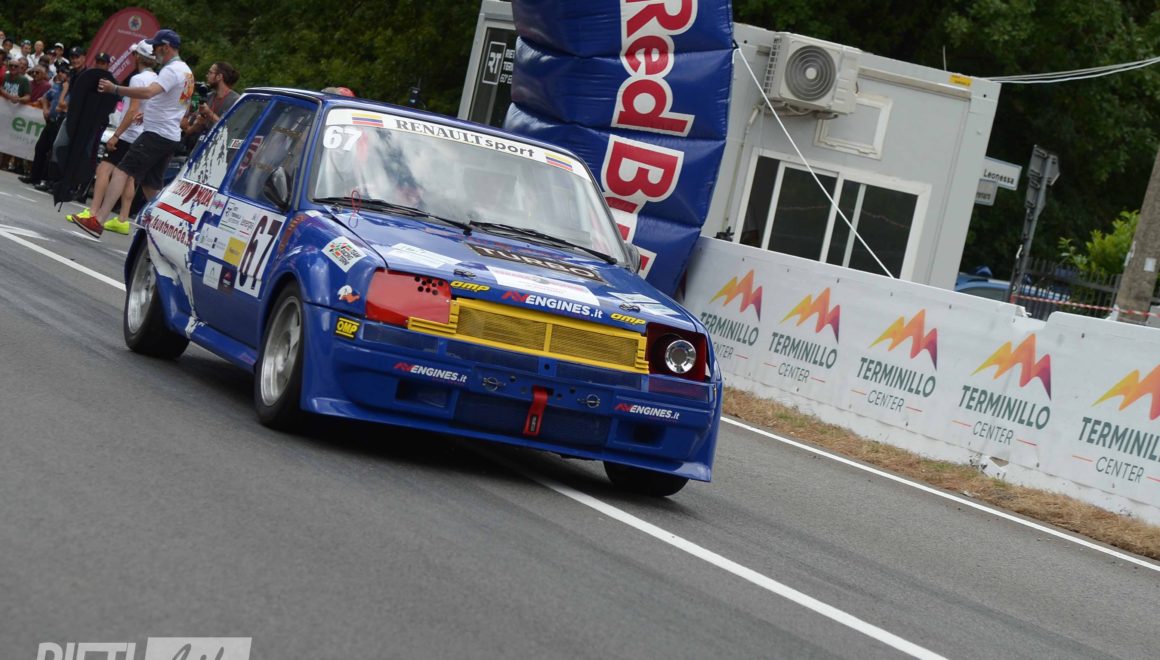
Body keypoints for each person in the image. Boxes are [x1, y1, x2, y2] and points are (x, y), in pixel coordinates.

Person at [75, 29, 192, 238]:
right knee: (150, 185)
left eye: (156, 47)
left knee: (122, 170)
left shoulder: (171, 70)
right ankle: (165, 229)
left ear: (165, 47)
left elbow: (148, 92)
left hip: (156, 133)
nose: (154, 52)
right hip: (169, 134)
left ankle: (98, 220)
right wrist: (149, 115)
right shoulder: (187, 72)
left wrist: (115, 89)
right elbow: (181, 104)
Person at [67, 41, 157, 234]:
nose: (132, 58)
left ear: (138, 57)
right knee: (128, 177)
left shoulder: (138, 79)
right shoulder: (157, 79)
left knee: (103, 170)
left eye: (134, 55)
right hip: (142, 134)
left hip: (129, 134)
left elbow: (132, 110)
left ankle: (93, 212)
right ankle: (122, 219)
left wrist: (116, 135)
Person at [49, 51, 116, 206]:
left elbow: (110, 106)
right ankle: (58, 179)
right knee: (59, 145)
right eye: (98, 62)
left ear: (108, 65)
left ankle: (80, 188)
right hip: (75, 119)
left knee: (88, 154)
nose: (100, 65)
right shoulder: (84, 76)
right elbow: (74, 97)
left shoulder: (112, 83)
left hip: (94, 124)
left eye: (103, 63)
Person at [19, 65, 67, 187]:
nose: (60, 73)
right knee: (40, 148)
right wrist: (45, 109)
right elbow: (44, 98)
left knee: (53, 153)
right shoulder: (56, 86)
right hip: (51, 121)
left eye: (63, 72)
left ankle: (47, 180)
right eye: (59, 71)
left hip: (61, 124)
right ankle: (34, 177)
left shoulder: (72, 90)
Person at [180, 61, 239, 151]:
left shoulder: (235, 101)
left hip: (217, 151)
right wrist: (197, 123)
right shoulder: (207, 97)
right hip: (197, 147)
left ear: (219, 77)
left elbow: (230, 129)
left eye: (210, 73)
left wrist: (209, 113)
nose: (207, 75)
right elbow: (185, 126)